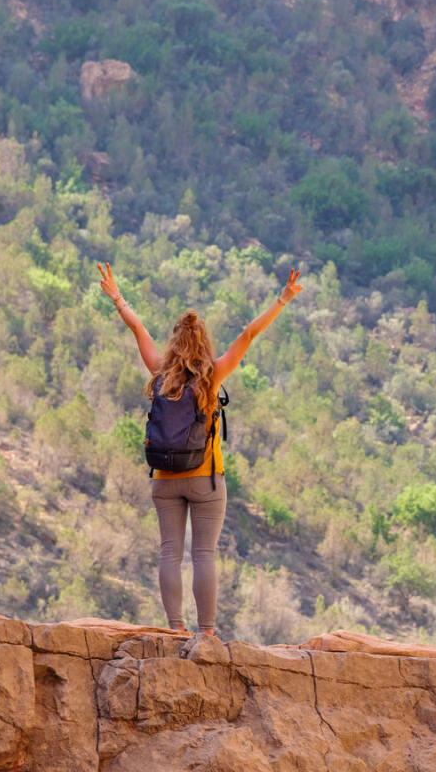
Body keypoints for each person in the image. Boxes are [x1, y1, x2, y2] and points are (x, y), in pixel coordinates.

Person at [100, 261, 303, 640]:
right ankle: (206, 633)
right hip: (205, 479)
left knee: (170, 552)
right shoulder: (212, 375)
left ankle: (175, 628)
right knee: (204, 554)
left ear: (174, 343)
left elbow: (137, 328)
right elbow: (247, 335)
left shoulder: (159, 372)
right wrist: (283, 299)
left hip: (164, 477)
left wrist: (116, 296)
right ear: (203, 343)